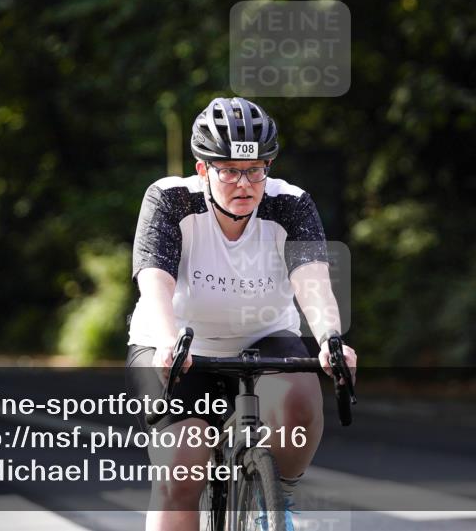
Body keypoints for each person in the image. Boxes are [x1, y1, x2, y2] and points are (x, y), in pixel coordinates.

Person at [126, 97, 357, 531]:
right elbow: (155, 282)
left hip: (264, 338)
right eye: (229, 170)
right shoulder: (170, 199)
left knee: (302, 397)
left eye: (255, 170)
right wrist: (167, 338)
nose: (244, 183)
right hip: (177, 343)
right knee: (180, 473)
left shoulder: (291, 203)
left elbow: (313, 282)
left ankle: (278, 500)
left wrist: (330, 337)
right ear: (202, 169)